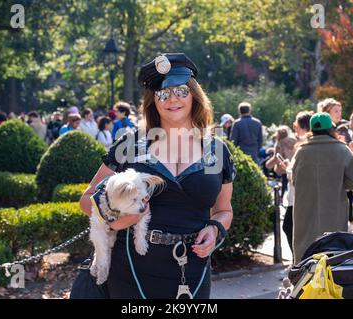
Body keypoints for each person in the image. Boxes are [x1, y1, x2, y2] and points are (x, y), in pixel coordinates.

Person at [76, 53, 235, 299]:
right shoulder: (130, 145)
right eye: (163, 93)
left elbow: (224, 210)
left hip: (193, 269)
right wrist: (114, 220)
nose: (173, 99)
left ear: (194, 94)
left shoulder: (215, 151)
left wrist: (215, 229)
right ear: (153, 101)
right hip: (132, 269)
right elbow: (87, 200)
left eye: (181, 90)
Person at [290, 113, 353, 263]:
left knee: (305, 259)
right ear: (331, 129)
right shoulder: (342, 150)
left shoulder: (301, 152)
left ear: (311, 130)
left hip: (305, 216)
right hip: (334, 214)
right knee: (333, 256)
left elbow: (294, 180)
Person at [276, 111, 313, 260]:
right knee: (291, 228)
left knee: (289, 227)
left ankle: (300, 264)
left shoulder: (304, 147)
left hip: (299, 197)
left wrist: (288, 170)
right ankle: (299, 263)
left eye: (296, 125)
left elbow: (300, 175)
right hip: (297, 196)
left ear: (303, 127)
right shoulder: (303, 145)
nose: (294, 128)